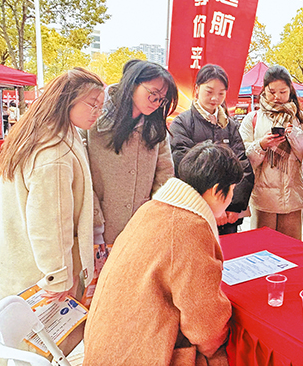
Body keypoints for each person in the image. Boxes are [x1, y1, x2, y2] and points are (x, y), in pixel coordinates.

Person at [84, 142, 242, 366]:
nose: (232, 198)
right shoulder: (190, 227)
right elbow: (205, 325)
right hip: (140, 355)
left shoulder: (151, 209)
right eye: (232, 190)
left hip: (106, 345)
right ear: (217, 190)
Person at [0, 68, 104, 302]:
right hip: (41, 278)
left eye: (100, 106)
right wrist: (58, 277)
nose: (97, 112)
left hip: (20, 263)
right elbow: (50, 222)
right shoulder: (55, 151)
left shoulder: (37, 131)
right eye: (92, 104)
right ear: (67, 100)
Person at [83, 59, 178, 246]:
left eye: (162, 99)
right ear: (132, 84)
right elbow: (84, 180)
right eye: (153, 94)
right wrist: (95, 226)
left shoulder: (156, 128)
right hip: (101, 230)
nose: (157, 103)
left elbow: (165, 176)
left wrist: (156, 219)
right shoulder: (94, 122)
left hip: (143, 227)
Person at [170, 64, 254, 235]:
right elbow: (184, 167)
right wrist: (212, 207)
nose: (215, 98)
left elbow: (243, 165)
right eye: (209, 92)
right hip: (196, 211)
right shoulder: (182, 123)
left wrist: (234, 206)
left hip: (229, 215)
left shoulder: (230, 125)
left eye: (221, 93)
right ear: (197, 89)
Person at [239, 65, 303, 240]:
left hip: (293, 198)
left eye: (282, 92)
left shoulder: (301, 119)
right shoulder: (253, 118)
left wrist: (295, 135)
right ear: (264, 90)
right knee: (262, 250)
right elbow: (242, 159)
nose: (277, 97)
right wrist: (261, 145)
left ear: (290, 90)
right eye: (272, 92)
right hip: (263, 200)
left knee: (290, 251)